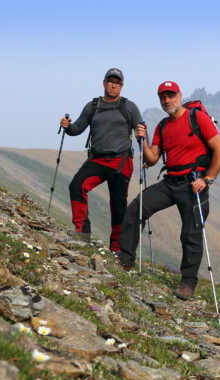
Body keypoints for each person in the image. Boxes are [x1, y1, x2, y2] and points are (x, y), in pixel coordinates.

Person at [118, 81, 220, 300]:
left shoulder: (198, 119)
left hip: (194, 183)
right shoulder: (162, 126)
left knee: (191, 233)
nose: (167, 101)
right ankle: (125, 261)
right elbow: (153, 158)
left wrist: (208, 180)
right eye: (163, 97)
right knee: (137, 208)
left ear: (179, 96)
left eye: (171, 96)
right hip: (170, 182)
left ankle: (188, 284)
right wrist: (143, 140)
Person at [60, 68, 141, 249]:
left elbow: (140, 130)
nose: (114, 85)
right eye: (110, 81)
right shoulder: (93, 106)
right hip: (97, 159)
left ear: (121, 86)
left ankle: (117, 249)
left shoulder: (129, 107)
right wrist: (67, 126)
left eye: (117, 82)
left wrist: (143, 140)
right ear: (104, 83)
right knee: (77, 186)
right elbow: (78, 129)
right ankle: (82, 233)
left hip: (121, 161)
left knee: (118, 204)